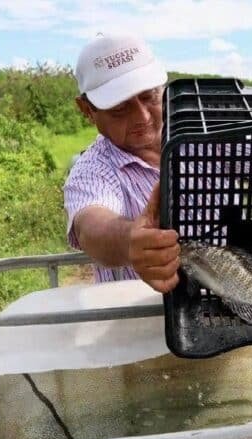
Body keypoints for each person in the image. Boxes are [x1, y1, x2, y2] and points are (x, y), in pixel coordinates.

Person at [64, 35, 180, 293]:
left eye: (149, 96)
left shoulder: (201, 138)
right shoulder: (92, 171)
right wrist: (131, 241)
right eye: (119, 107)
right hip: (135, 320)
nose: (143, 116)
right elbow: (92, 225)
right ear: (87, 109)